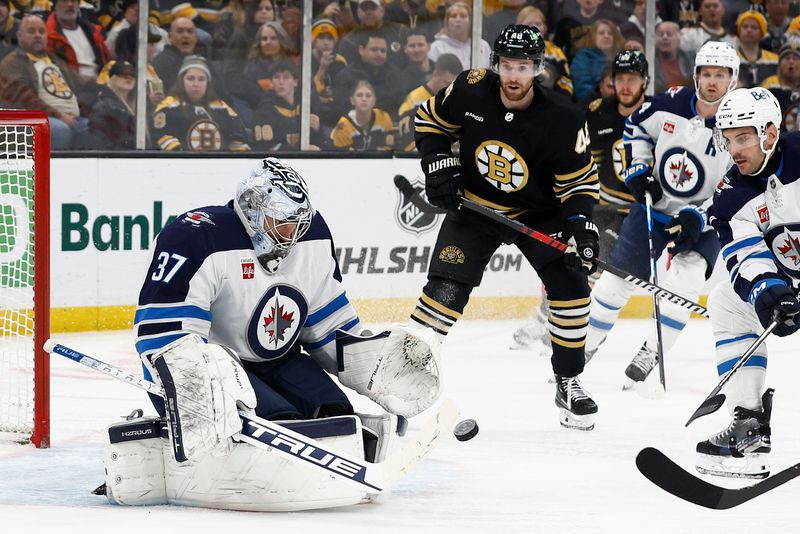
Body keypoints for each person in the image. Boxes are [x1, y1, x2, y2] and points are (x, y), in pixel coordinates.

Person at [129, 157, 441, 509]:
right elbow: (165, 336)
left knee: (337, 415)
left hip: (279, 360)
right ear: (252, 209)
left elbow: (327, 324)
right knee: (278, 423)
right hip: (214, 367)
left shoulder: (313, 237)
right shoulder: (195, 236)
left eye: (296, 223)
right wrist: (197, 389)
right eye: (281, 221)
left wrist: (374, 364)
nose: (291, 234)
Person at [411, 24, 601, 431]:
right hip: (476, 207)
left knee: (571, 284)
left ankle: (568, 380)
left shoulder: (564, 118)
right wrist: (438, 164)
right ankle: (407, 368)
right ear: (495, 64)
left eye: (524, 67)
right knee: (446, 288)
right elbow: (428, 122)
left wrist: (582, 227)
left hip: (539, 213)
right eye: (507, 65)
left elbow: (581, 184)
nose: (514, 76)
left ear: (538, 69)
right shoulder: (470, 89)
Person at [584, 41, 740, 387]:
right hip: (655, 208)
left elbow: (737, 182)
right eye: (706, 73)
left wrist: (699, 215)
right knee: (615, 280)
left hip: (706, 220)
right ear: (696, 75)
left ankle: (652, 351)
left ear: (733, 79)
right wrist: (638, 169)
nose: (712, 81)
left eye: (721, 75)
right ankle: (584, 346)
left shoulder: (738, 122)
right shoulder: (669, 103)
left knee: (685, 283)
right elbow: (636, 129)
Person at [512, 50, 649, 352]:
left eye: (633, 79)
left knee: (594, 265)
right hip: (601, 206)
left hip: (637, 213)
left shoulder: (655, 116)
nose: (625, 86)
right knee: (570, 258)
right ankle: (546, 317)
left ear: (645, 82)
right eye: (620, 79)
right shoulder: (597, 111)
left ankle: (560, 324)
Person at [694, 86, 798, 478]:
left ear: (770, 134)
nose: (734, 149)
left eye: (743, 138)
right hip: (794, 282)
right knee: (726, 302)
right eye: (728, 139)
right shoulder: (730, 196)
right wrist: (771, 292)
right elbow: (745, 256)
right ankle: (750, 425)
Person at [0, 14, 90, 149]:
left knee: (96, 127)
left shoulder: (56, 61)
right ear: (19, 36)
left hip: (69, 118)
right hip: (29, 121)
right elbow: (23, 99)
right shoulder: (12, 63)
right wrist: (59, 115)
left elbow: (81, 85)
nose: (37, 35)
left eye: (41, 32)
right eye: (31, 31)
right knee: (60, 130)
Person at [152, 55, 251, 151]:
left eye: (201, 79)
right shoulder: (169, 107)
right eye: (190, 78)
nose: (196, 84)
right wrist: (181, 154)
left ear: (208, 83)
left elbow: (239, 137)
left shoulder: (222, 108)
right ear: (182, 81)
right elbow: (160, 135)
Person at [251, 60, 324, 150]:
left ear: (295, 82)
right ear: (271, 83)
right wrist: (301, 149)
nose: (281, 82)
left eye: (286, 77)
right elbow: (266, 148)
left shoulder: (305, 106)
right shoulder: (264, 112)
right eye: (276, 77)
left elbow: (318, 142)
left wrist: (317, 130)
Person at [396, 53, 461, 152]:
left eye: (454, 85)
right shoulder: (414, 99)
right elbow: (405, 135)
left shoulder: (456, 99)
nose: (450, 90)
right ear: (435, 74)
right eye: (447, 84)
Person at [46, 0, 111, 80]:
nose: (70, 4)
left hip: (101, 84)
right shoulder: (47, 36)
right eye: (64, 1)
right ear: (55, 6)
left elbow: (108, 61)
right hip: (69, 85)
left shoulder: (94, 31)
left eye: (73, 1)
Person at [331, 79, 394, 150]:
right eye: (359, 95)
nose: (364, 99)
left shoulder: (384, 117)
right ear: (352, 100)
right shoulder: (343, 126)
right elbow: (341, 158)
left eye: (368, 96)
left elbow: (389, 151)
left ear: (374, 101)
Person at [570, 19, 624, 102]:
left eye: (610, 33)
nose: (606, 36)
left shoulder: (622, 58)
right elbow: (582, 88)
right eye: (601, 33)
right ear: (593, 37)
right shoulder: (583, 57)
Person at [87, 59, 137, 149]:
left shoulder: (141, 106)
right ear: (112, 78)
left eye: (132, 75)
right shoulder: (103, 107)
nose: (129, 77)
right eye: (123, 74)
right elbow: (99, 142)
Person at [428, 1, 491, 71]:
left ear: (470, 21)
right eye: (453, 16)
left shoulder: (482, 46)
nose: (458, 20)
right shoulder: (436, 48)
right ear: (446, 22)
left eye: (463, 16)